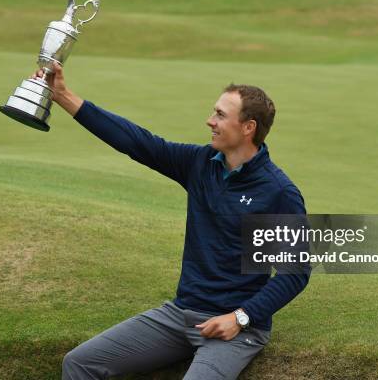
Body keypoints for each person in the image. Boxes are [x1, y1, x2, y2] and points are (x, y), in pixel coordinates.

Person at [31, 62, 310, 380]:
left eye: (220, 115)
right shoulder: (200, 164)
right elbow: (137, 143)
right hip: (181, 315)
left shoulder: (278, 192)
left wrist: (241, 317)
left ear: (248, 127)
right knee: (79, 363)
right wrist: (64, 96)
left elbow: (294, 274)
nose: (210, 121)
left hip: (237, 329)